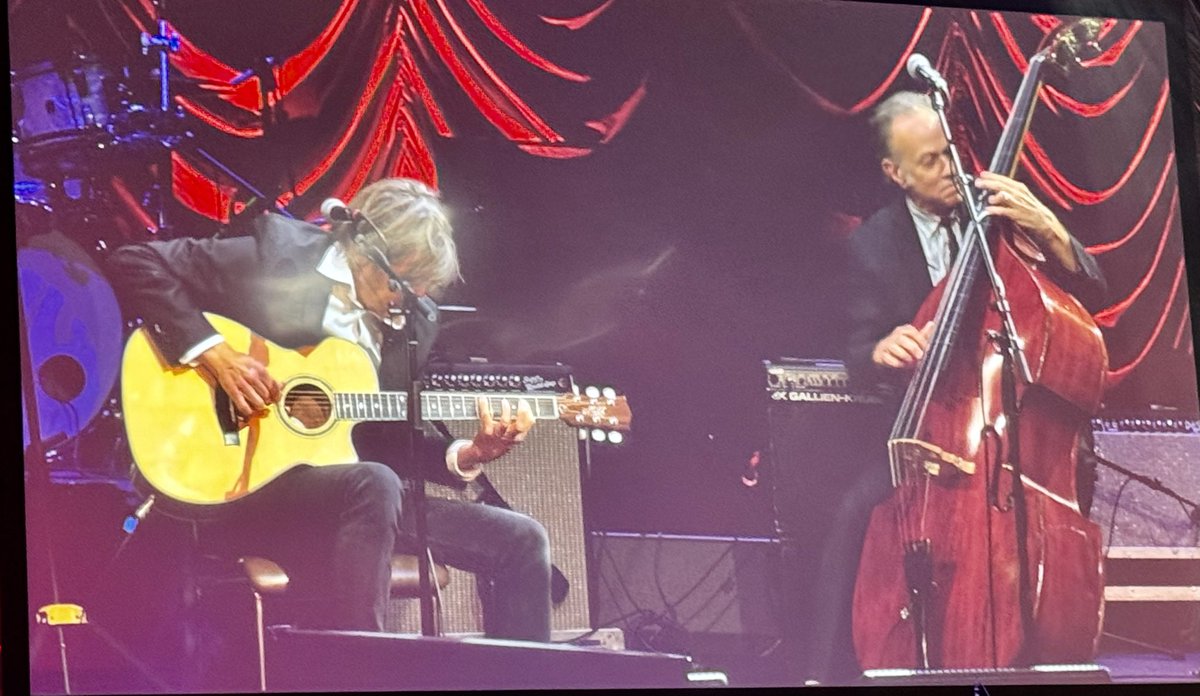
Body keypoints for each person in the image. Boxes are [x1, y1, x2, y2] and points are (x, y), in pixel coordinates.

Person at [107, 178, 553, 643]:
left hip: (351, 503)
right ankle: (362, 668)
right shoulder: (279, 259)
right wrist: (215, 355)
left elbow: (379, 436)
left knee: (522, 540)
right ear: (364, 251)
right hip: (243, 486)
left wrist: (470, 453)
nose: (414, 297)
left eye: (423, 287)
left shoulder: (413, 320)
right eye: (404, 281)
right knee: (375, 482)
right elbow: (134, 260)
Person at [800, 90, 1108, 685]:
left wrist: (1046, 226)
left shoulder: (999, 217)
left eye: (951, 154)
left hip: (1021, 436)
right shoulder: (872, 244)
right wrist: (882, 348)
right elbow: (857, 350)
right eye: (931, 162)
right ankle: (829, 674)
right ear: (895, 173)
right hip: (929, 435)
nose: (951, 171)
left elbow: (1090, 291)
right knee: (853, 516)